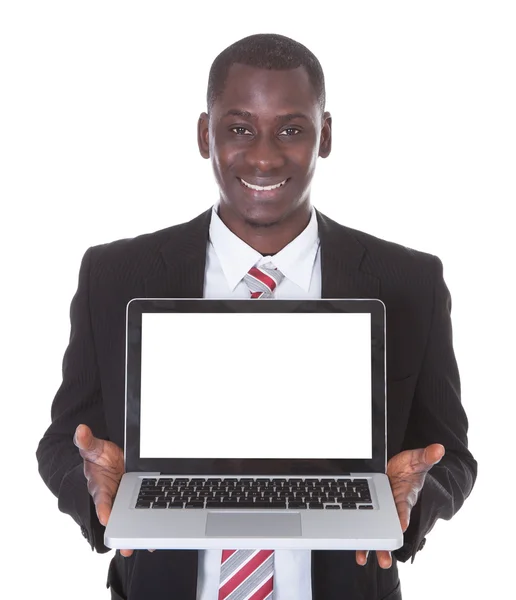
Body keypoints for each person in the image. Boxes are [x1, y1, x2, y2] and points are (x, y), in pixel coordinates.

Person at [36, 33, 477, 600]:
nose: (265, 156)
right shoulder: (116, 275)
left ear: (326, 136)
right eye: (239, 128)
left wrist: (413, 500)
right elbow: (61, 442)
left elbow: (451, 455)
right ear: (204, 135)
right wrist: (96, 487)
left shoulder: (407, 282)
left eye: (291, 129)